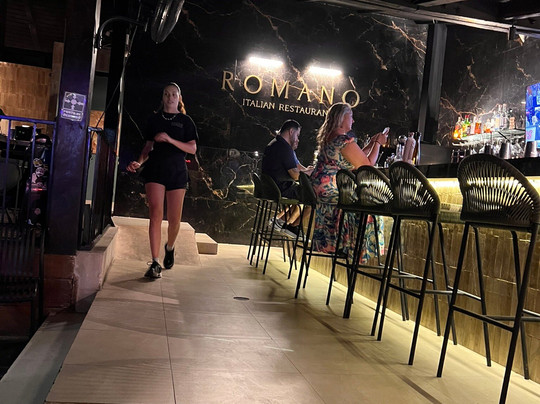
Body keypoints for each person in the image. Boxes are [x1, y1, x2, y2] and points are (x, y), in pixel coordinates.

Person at [127, 82, 198, 279]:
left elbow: (192, 148)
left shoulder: (186, 121)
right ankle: (155, 262)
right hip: (155, 169)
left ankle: (170, 247)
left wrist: (169, 139)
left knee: (174, 220)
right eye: (166, 94)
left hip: (177, 170)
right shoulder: (154, 119)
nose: (170, 97)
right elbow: (147, 147)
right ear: (163, 97)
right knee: (155, 214)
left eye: (174, 94)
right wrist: (139, 162)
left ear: (179, 98)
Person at [311, 102, 387, 256]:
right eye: (351, 116)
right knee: (371, 205)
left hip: (320, 188)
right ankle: (356, 250)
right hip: (332, 191)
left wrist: (371, 144)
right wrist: (378, 144)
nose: (353, 120)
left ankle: (346, 245)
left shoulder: (331, 137)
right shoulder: (343, 140)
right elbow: (367, 166)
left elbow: (352, 157)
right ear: (342, 117)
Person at [261, 120, 303, 236]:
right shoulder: (284, 147)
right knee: (312, 196)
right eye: (297, 135)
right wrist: (312, 175)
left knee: (301, 195)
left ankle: (280, 221)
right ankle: (290, 226)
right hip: (280, 189)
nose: (298, 139)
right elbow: (295, 174)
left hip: (271, 188)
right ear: (291, 131)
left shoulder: (274, 144)